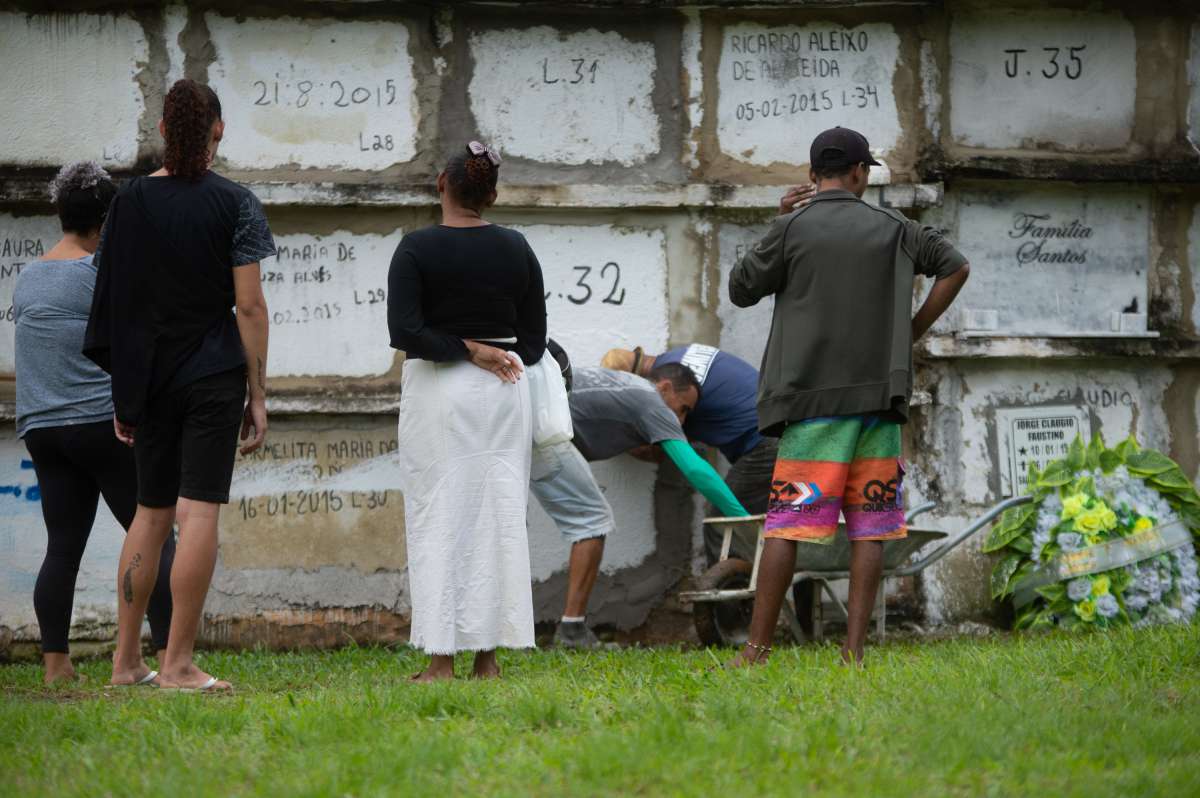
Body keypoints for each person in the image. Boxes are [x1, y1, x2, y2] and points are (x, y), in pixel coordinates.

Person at [726, 126, 969, 668]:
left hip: (811, 404)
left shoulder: (794, 227)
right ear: (861, 173)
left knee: (786, 524)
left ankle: (756, 653)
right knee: (871, 525)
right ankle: (853, 652)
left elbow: (741, 289)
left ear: (813, 175)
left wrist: (779, 221)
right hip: (879, 402)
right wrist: (910, 332)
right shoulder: (894, 226)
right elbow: (955, 266)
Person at [84, 79, 274, 691]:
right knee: (197, 513)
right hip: (211, 377)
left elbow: (112, 296)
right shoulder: (236, 203)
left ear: (163, 131)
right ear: (217, 130)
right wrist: (259, 393)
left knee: (149, 513)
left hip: (150, 378)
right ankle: (179, 664)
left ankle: (124, 663)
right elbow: (249, 308)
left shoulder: (128, 202)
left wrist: (126, 389)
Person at [388, 140, 546, 681]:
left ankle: (439, 660)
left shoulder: (415, 248)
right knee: (499, 514)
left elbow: (404, 330)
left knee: (440, 513)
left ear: (441, 184)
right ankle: (489, 659)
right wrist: (490, 350)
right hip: (505, 390)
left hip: (439, 389)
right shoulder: (517, 247)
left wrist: (464, 348)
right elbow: (534, 340)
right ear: (492, 196)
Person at [14, 162, 175, 686]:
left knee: (62, 546)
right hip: (100, 427)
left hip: (43, 430)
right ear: (106, 223)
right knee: (153, 539)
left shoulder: (28, 279)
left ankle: (56, 666)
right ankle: (173, 656)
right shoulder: (99, 277)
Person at [532, 364, 748, 648]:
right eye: (682, 408)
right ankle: (572, 632)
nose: (681, 421)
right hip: (544, 429)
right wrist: (743, 517)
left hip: (528, 416)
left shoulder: (629, 387)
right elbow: (696, 470)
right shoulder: (652, 401)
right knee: (592, 521)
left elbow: (596, 417)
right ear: (665, 388)